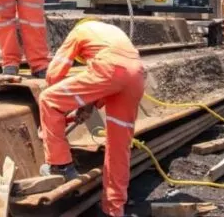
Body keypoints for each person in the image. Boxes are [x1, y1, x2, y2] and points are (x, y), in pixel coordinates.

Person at [37, 19, 145, 217]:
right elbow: (114, 78)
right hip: (136, 75)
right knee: (118, 147)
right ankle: (113, 210)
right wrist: (87, 106)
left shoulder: (79, 30)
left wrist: (56, 111)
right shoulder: (109, 32)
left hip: (109, 69)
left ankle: (60, 166)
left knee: (48, 100)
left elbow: (54, 74)